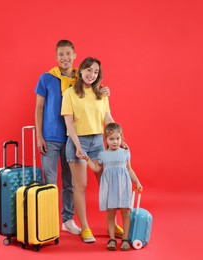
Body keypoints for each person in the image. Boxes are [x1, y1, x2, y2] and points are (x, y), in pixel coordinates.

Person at [35, 40, 113, 235]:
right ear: (56, 57)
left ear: (75, 55)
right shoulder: (46, 78)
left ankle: (67, 219)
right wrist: (39, 136)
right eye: (61, 54)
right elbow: (39, 107)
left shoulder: (82, 78)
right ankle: (48, 219)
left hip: (73, 137)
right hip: (52, 136)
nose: (65, 58)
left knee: (70, 183)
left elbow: (94, 91)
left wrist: (103, 90)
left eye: (68, 54)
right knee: (50, 180)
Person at [61, 56, 121, 243]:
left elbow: (108, 117)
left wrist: (120, 138)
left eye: (95, 72)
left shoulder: (101, 94)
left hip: (97, 141)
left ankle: (114, 224)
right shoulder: (70, 93)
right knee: (80, 186)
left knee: (107, 182)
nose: (92, 74)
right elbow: (69, 123)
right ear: (81, 71)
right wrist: (78, 146)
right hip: (77, 141)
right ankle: (85, 228)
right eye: (89, 70)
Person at [82, 122, 143, 250]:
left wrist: (137, 182)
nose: (115, 142)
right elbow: (96, 168)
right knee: (111, 213)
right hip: (109, 188)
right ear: (106, 140)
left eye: (117, 138)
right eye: (111, 139)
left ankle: (125, 239)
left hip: (123, 186)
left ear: (121, 138)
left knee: (126, 212)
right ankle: (112, 239)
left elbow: (129, 169)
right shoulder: (103, 155)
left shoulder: (125, 152)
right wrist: (87, 159)